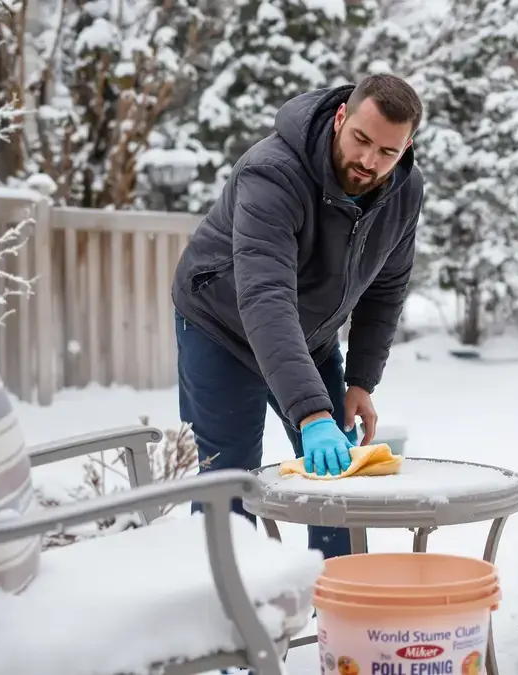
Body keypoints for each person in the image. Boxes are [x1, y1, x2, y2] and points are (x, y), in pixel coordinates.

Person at [170, 74, 424, 560]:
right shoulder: (272, 173)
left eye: (387, 152)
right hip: (220, 326)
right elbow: (265, 295)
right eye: (361, 139)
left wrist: (360, 381)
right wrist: (311, 413)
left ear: (407, 147)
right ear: (341, 118)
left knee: (340, 474)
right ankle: (227, 600)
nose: (369, 161)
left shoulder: (403, 190)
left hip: (309, 334)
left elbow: (386, 288)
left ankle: (337, 591)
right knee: (232, 477)